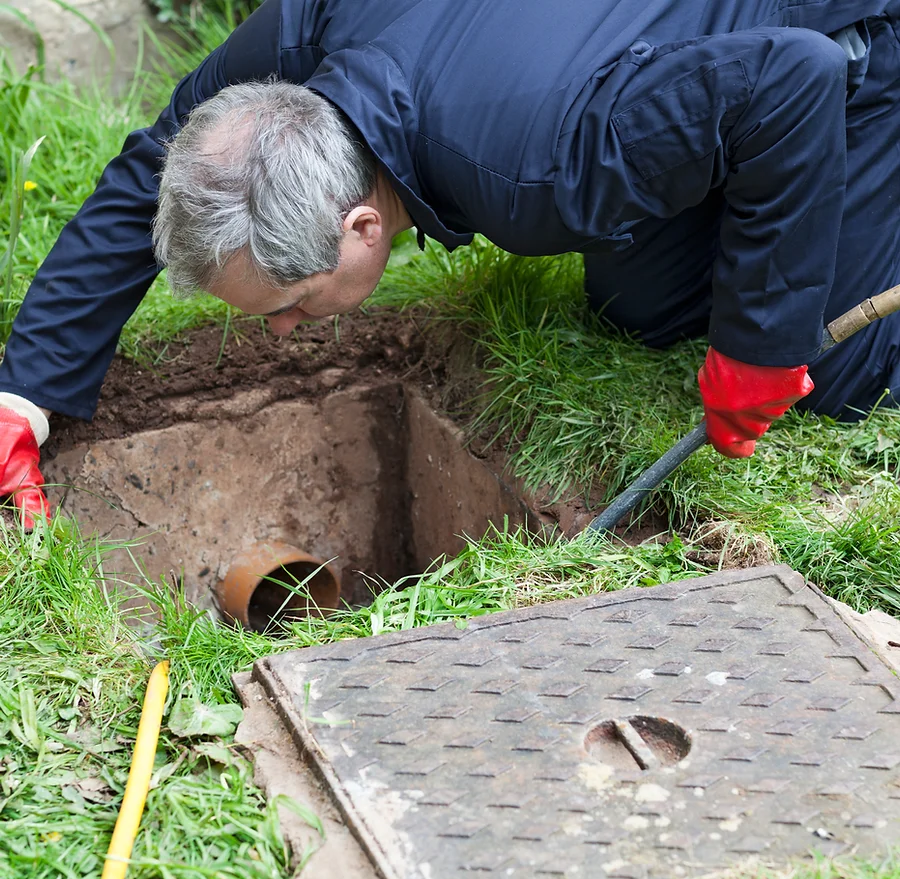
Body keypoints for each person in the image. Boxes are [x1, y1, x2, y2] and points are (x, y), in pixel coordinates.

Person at [1, 0, 899, 528]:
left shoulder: (537, 171)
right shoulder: (304, 35)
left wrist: (759, 343)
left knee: (837, 375)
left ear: (361, 228)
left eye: (293, 302)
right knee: (647, 307)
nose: (279, 333)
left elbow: (795, 78)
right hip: (672, 43)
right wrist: (26, 389)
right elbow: (161, 161)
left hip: (841, 37)